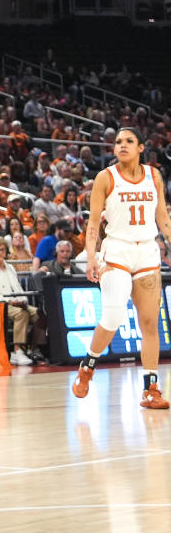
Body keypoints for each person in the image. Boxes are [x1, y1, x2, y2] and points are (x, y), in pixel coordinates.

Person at [71, 128, 169, 408]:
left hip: (147, 251)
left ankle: (151, 389)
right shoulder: (106, 177)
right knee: (113, 318)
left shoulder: (154, 176)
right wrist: (91, 257)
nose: (122, 145)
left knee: (150, 323)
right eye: (118, 142)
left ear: (141, 148)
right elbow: (92, 224)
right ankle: (88, 365)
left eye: (129, 141)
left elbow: (162, 218)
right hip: (116, 251)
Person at [0, 239, 39, 366]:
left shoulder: (10, 267)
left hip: (15, 302)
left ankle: (32, 349)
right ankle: (17, 351)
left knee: (39, 314)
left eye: (3, 249)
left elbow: (18, 289)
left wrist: (22, 300)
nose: (1, 253)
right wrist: (9, 301)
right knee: (21, 314)